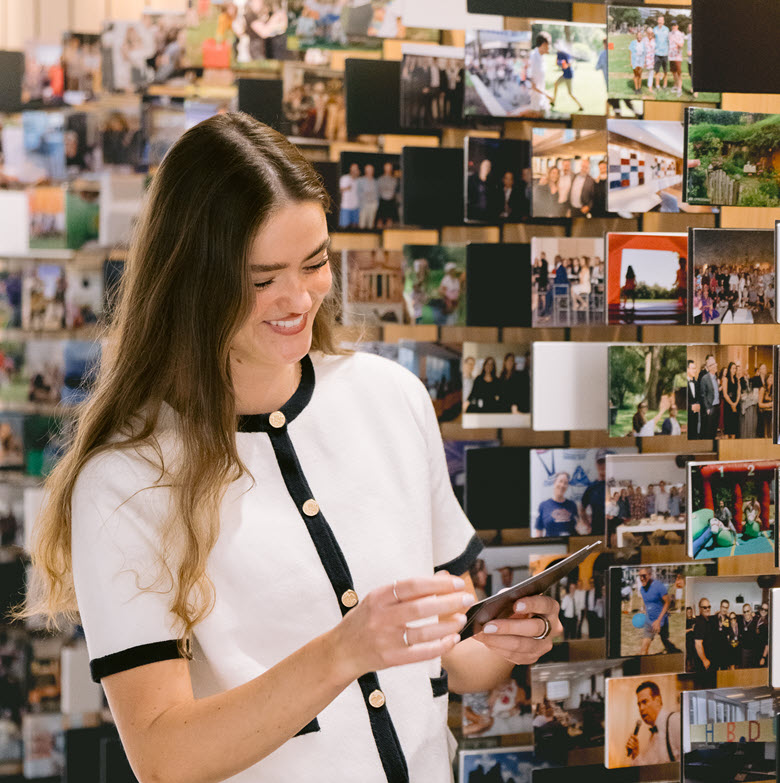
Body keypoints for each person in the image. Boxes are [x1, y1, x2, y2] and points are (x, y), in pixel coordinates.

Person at [16, 113, 563, 783]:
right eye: (262, 277)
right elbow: (162, 756)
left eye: (315, 262)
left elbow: (458, 655)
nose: (298, 298)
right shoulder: (127, 480)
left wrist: (512, 637)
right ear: (193, 278)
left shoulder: (393, 398)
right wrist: (342, 652)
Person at [625, 681, 680, 765]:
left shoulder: (675, 720)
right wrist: (635, 754)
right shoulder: (652, 736)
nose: (641, 708)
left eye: (644, 702)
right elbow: (650, 771)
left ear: (658, 700)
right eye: (639, 704)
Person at [637, 568, 680, 655]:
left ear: (649, 575)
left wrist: (659, 620)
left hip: (661, 620)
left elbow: (667, 602)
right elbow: (647, 604)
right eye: (640, 576)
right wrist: (646, 614)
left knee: (665, 640)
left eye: (644, 576)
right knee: (643, 648)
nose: (642, 578)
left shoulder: (659, 586)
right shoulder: (642, 589)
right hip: (649, 621)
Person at [535, 472, 579, 538]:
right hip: (551, 545)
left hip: (570, 544)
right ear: (554, 482)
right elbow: (539, 532)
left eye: (565, 483)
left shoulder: (572, 505)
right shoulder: (543, 506)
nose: (562, 485)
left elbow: (578, 527)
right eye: (560, 481)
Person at [580, 449, 608, 536]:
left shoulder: (615, 485)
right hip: (596, 533)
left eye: (605, 462)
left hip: (614, 533)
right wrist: (588, 525)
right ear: (596, 464)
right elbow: (581, 509)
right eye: (600, 462)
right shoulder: (591, 488)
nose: (602, 466)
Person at [552, 44, 583, 112]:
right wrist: (561, 63)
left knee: (570, 93)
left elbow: (569, 63)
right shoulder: (558, 54)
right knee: (556, 84)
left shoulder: (565, 54)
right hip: (564, 75)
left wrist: (564, 64)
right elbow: (557, 63)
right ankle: (553, 101)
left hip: (569, 75)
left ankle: (580, 106)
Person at [527, 32, 552, 115]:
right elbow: (532, 85)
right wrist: (547, 94)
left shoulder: (541, 58)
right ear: (544, 44)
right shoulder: (533, 58)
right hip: (533, 104)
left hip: (541, 101)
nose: (550, 47)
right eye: (549, 44)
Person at [699, 354, 721, 439]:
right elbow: (703, 395)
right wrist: (707, 408)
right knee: (708, 431)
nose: (716, 365)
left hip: (717, 407)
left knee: (714, 429)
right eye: (715, 364)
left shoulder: (715, 378)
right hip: (710, 407)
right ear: (711, 367)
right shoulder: (705, 378)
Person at [376, 161, 399, 229]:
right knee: (379, 222)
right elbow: (378, 191)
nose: (388, 169)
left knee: (390, 222)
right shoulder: (380, 179)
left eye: (389, 167)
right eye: (387, 167)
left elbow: (395, 190)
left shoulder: (394, 179)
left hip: (391, 201)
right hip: (382, 201)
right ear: (384, 168)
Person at [356, 163, 379, 230]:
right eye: (368, 170)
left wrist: (376, 204)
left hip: (373, 204)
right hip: (364, 205)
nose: (370, 171)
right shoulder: (360, 180)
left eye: (371, 170)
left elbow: (377, 194)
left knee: (371, 225)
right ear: (365, 171)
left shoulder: (375, 181)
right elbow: (358, 193)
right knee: (362, 224)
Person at [338, 162, 360, 228]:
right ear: (350, 169)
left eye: (356, 169)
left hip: (356, 207)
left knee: (355, 226)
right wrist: (347, 188)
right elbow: (340, 190)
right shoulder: (344, 178)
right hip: (346, 207)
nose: (354, 171)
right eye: (353, 169)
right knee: (344, 226)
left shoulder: (359, 180)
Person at [722, 361, 740, 438]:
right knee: (728, 429)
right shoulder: (725, 379)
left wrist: (735, 403)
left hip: (736, 404)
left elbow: (738, 392)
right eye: (733, 368)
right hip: (728, 406)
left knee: (734, 429)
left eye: (735, 368)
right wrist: (732, 404)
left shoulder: (737, 379)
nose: (734, 370)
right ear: (729, 369)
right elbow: (725, 394)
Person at [653, 15, 670, 91]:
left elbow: (669, 41)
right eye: (659, 20)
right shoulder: (654, 29)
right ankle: (657, 85)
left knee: (665, 71)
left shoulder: (667, 29)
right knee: (657, 70)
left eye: (661, 20)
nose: (660, 21)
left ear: (663, 21)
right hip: (657, 53)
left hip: (665, 53)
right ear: (657, 21)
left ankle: (665, 85)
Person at [668, 21, 685, 96]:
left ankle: (679, 88)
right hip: (671, 56)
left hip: (677, 56)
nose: (673, 27)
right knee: (673, 72)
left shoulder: (680, 34)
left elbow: (681, 45)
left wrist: (675, 41)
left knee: (678, 73)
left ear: (677, 26)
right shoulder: (670, 34)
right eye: (672, 25)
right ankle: (675, 85)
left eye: (674, 25)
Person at [758, 372, 773, 437]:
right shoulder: (763, 389)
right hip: (764, 413)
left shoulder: (774, 390)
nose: (771, 379)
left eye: (772, 377)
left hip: (772, 413)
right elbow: (760, 404)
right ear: (766, 379)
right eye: (770, 377)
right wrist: (769, 405)